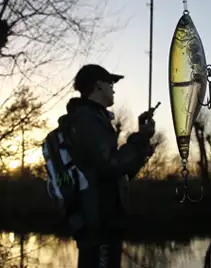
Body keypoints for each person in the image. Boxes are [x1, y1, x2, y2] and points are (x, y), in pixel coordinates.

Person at [56, 64, 156, 268]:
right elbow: (110, 166)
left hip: (104, 221)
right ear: (98, 85)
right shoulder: (86, 118)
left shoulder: (94, 118)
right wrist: (138, 139)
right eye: (110, 83)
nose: (113, 88)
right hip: (98, 222)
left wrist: (142, 146)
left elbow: (119, 175)